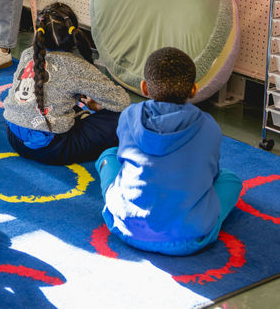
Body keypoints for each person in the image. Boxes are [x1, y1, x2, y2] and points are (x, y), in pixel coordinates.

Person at [96, 47, 242, 256]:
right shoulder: (209, 127)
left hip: (126, 227)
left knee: (109, 156)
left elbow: (123, 157)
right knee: (230, 180)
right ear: (194, 90)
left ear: (144, 87)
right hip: (189, 238)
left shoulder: (129, 116)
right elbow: (211, 173)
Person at [4, 3, 130, 165]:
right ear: (74, 34)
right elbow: (122, 101)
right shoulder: (75, 65)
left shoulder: (27, 54)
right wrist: (98, 107)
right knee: (125, 117)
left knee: (55, 99)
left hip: (14, 138)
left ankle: (77, 117)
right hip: (51, 148)